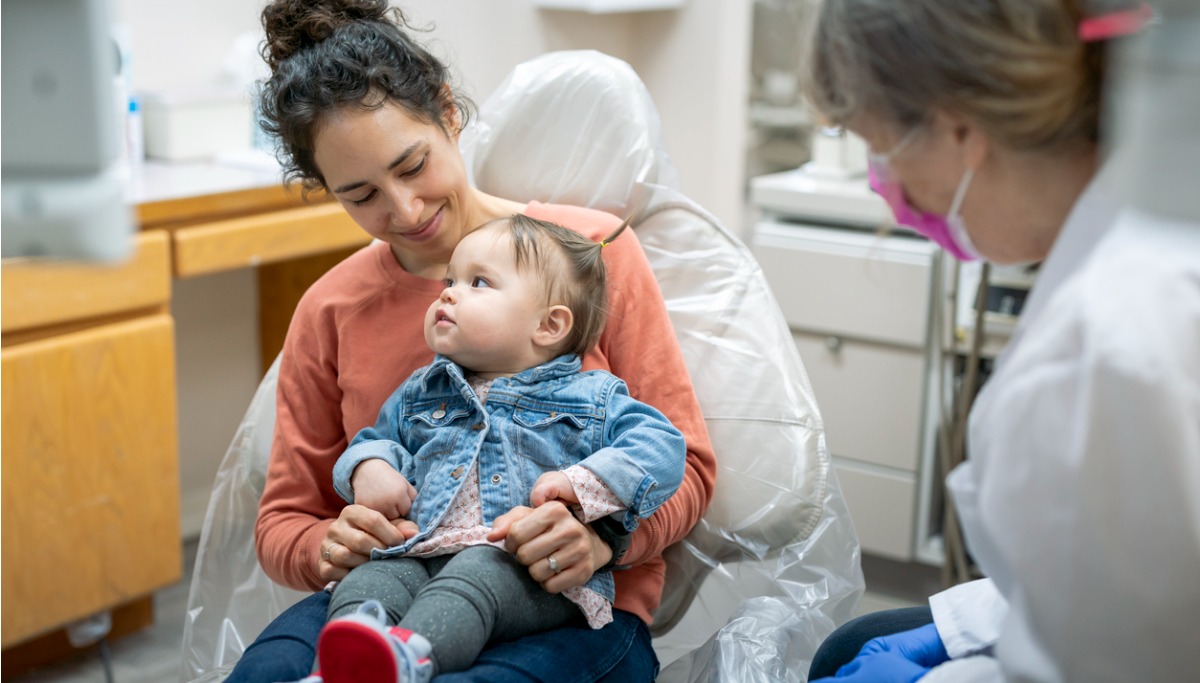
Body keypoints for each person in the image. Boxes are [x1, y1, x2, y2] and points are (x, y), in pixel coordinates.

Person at [224, 1, 717, 681]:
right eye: (360, 194)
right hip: (389, 588)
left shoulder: (585, 255)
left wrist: (603, 542)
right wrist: (326, 546)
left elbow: (686, 467)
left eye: (413, 164)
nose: (403, 209)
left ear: (449, 113)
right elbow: (285, 518)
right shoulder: (330, 309)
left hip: (560, 606)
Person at [800, 0, 1200, 681]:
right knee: (853, 642)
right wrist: (961, 634)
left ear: (958, 125)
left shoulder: (1100, 349)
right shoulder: (1138, 220)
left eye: (878, 144)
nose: (885, 185)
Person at [308, 214, 687, 683]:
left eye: (478, 282)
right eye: (450, 279)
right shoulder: (418, 393)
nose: (448, 292)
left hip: (522, 568)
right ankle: (339, 667)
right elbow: (377, 441)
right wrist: (368, 465)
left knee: (474, 578)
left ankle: (409, 659)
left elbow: (662, 445)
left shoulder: (592, 397)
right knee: (368, 581)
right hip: (419, 551)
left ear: (549, 325)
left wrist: (582, 485)